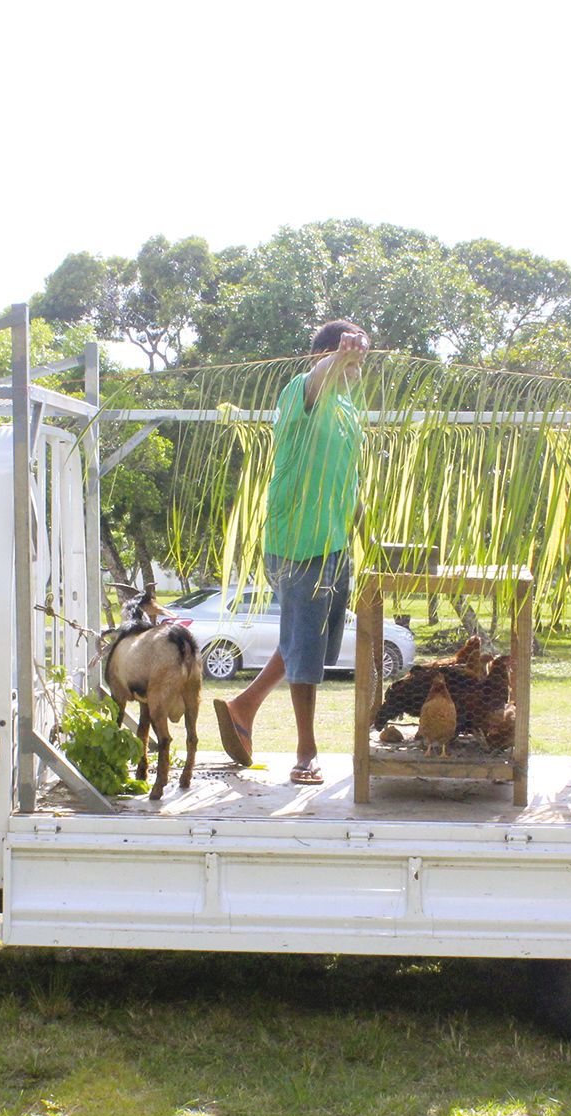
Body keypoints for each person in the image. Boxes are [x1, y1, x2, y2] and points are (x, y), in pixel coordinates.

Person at [214, 319, 370, 784]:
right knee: (304, 641)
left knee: (314, 642)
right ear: (320, 357)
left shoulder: (348, 413)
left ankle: (243, 707)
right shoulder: (298, 393)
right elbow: (314, 381)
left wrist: (369, 536)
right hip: (298, 542)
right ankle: (306, 751)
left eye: (360, 360)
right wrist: (336, 357)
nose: (354, 367)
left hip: (335, 541)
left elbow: (349, 482)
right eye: (347, 359)